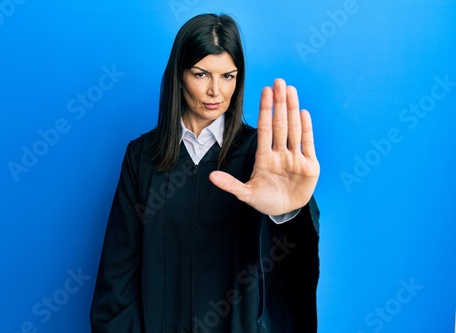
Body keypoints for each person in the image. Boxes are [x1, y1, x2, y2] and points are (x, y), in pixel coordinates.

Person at [90, 13, 320, 333]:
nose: (215, 91)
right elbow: (117, 281)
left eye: (228, 76)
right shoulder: (142, 158)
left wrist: (289, 213)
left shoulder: (262, 157)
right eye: (201, 74)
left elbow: (288, 275)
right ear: (179, 75)